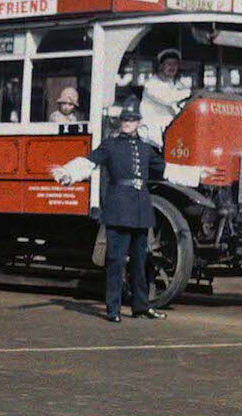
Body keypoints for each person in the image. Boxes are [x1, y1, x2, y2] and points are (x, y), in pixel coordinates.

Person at [50, 97, 167, 323]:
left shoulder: (146, 148)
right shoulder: (110, 145)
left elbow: (166, 169)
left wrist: (199, 174)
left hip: (140, 210)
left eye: (132, 120)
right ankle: (113, 308)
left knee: (140, 261)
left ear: (138, 123)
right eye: (124, 120)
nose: (127, 123)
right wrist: (68, 174)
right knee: (115, 261)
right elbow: (89, 161)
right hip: (118, 209)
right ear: (119, 122)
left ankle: (141, 306)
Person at [140, 48, 189, 148]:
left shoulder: (177, 84)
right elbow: (167, 98)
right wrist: (190, 92)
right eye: (168, 64)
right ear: (161, 66)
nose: (172, 67)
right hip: (151, 139)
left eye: (175, 64)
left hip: (170, 137)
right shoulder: (152, 83)